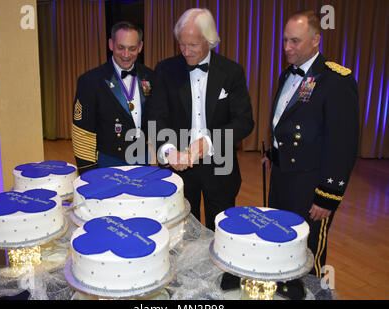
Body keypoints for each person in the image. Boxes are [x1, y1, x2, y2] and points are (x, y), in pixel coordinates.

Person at [262, 10, 359, 280]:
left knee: (309, 247)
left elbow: (343, 143)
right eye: (284, 41)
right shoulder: (286, 75)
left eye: (295, 41)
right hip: (282, 177)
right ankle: (284, 287)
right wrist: (273, 153)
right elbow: (291, 123)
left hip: (310, 182)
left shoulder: (336, 80)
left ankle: (313, 294)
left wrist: (327, 195)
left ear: (316, 40)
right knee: (282, 238)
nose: (287, 48)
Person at [148, 8, 254, 231]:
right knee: (184, 234)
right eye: (182, 44)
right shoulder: (165, 70)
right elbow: (157, 117)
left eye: (193, 45)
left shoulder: (231, 71)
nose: (186, 51)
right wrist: (168, 150)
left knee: (222, 235)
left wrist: (209, 142)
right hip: (180, 166)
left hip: (220, 164)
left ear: (210, 40)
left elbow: (244, 121)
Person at [72, 21, 155, 174]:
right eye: (120, 47)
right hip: (108, 161)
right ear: (111, 44)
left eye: (132, 48)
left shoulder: (150, 76)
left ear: (140, 47)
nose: (126, 55)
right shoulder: (90, 81)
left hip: (142, 159)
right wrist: (88, 172)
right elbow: (82, 132)